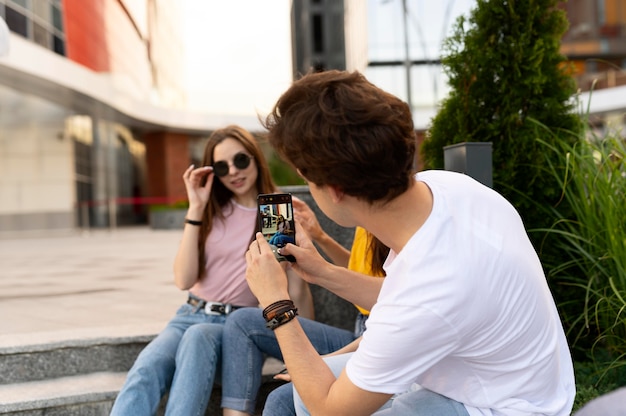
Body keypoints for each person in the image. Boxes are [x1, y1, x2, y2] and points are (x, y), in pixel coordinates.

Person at [243, 70, 576, 415]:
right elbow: (404, 298)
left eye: (306, 178)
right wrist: (323, 273)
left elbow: (331, 410)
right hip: (500, 378)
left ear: (336, 191)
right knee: (285, 400)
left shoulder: (436, 281)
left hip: (501, 406)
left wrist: (276, 302)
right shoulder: (448, 187)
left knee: (304, 400)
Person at [110, 125, 313, 415]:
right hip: (188, 315)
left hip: (233, 324)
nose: (233, 171)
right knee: (146, 368)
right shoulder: (211, 208)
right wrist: (195, 208)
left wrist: (302, 347)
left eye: (240, 160)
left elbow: (292, 283)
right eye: (221, 166)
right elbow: (184, 279)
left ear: (255, 158)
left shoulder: (275, 212)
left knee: (198, 338)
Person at [221, 197, 387, 416]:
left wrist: (275, 300)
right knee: (240, 322)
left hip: (378, 336)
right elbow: (363, 273)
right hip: (364, 329)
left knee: (281, 398)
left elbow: (401, 312)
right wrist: (320, 240)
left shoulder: (389, 222)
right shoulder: (367, 219)